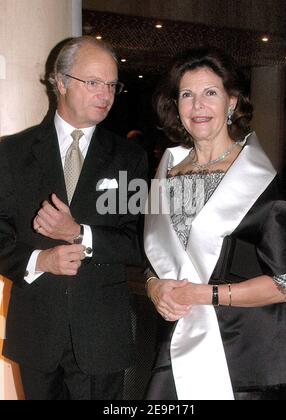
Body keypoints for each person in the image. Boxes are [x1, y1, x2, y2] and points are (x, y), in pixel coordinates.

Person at [144, 47, 286, 400]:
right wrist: (154, 287)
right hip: (178, 340)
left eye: (209, 93)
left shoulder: (257, 179)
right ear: (177, 106)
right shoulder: (166, 172)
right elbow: (155, 259)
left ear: (231, 103)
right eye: (187, 95)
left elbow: (285, 284)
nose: (197, 106)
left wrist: (205, 294)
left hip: (243, 355)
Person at [0, 36, 147, 400]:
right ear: (61, 82)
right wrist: (40, 260)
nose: (106, 94)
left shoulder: (128, 157)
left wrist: (80, 233)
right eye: (94, 82)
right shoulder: (11, 154)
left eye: (112, 85)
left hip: (101, 335)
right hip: (36, 332)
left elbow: (138, 243)